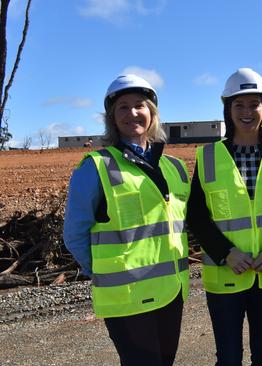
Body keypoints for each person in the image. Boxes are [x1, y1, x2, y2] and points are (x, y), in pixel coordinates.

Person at [63, 74, 190, 366]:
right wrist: (108, 273)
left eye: (139, 105)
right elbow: (74, 234)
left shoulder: (175, 167)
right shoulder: (96, 167)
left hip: (171, 293)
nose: (132, 113)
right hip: (127, 299)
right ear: (111, 117)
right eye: (122, 107)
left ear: (152, 113)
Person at [187, 68, 262, 366]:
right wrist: (226, 253)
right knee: (228, 356)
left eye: (254, 104)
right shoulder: (208, 156)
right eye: (239, 105)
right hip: (226, 271)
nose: (247, 112)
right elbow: (197, 216)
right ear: (228, 109)